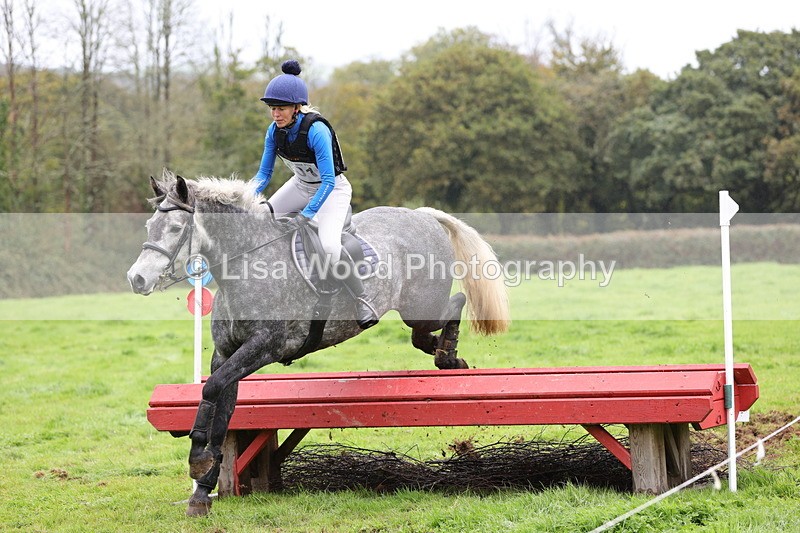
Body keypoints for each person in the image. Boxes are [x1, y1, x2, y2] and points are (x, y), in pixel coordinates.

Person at [252, 59, 378, 329]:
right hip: (300, 185)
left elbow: (329, 180)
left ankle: (362, 299)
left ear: (297, 108)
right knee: (261, 219)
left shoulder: (316, 130)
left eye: (281, 108)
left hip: (332, 190)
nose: (276, 114)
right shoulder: (274, 132)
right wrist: (243, 197)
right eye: (273, 108)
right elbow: (264, 175)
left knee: (330, 246)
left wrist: (307, 213)